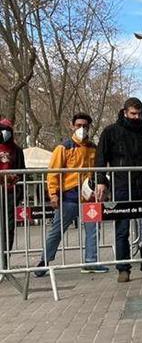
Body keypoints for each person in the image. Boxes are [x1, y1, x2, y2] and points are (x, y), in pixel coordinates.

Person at [94, 98, 142, 283]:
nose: (137, 117)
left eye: (140, 114)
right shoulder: (111, 132)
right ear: (125, 112)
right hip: (122, 186)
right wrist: (101, 181)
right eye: (133, 114)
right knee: (122, 228)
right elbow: (100, 158)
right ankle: (123, 268)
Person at [35, 113, 108, 276]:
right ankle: (44, 262)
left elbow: (99, 170)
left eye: (85, 126)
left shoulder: (94, 148)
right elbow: (53, 172)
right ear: (72, 126)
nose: (82, 129)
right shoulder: (63, 148)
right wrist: (53, 194)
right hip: (69, 197)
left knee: (94, 229)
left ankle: (91, 262)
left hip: (89, 197)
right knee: (57, 230)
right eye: (79, 125)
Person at [0, 118, 25, 253]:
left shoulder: (17, 150)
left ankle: (5, 258)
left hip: (10, 194)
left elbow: (22, 172)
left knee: (8, 227)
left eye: (7, 130)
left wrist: (18, 192)